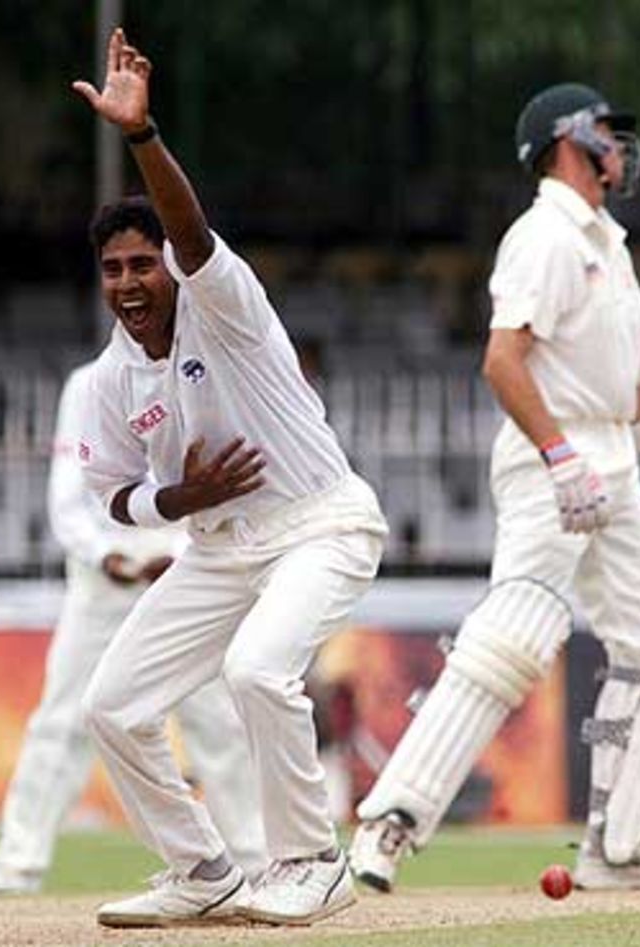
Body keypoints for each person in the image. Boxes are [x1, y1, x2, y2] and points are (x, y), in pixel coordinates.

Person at [348, 82, 640, 893]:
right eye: (610, 133)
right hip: (558, 457)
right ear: (569, 139)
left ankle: (616, 848)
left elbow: (636, 385)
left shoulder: (607, 244)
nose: (623, 147)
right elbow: (503, 360)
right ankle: (387, 827)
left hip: (614, 454)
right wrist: (558, 456)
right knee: (511, 638)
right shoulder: (542, 235)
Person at [71, 28, 387, 928]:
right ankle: (202, 867)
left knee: (257, 671)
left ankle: (312, 859)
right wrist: (179, 499)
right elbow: (115, 497)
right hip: (216, 550)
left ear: (167, 268)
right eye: (113, 269)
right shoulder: (107, 380)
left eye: (141, 264)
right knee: (113, 706)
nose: (129, 282)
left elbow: (189, 228)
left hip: (320, 525)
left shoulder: (223, 302)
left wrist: (140, 137)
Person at [0, 362, 267, 895]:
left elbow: (217, 482)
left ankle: (257, 865)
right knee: (62, 722)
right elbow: (69, 495)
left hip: (190, 572)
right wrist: (110, 556)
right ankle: (15, 872)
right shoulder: (88, 384)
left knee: (217, 724)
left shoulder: (203, 373)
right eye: (114, 271)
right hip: (103, 581)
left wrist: (179, 554)